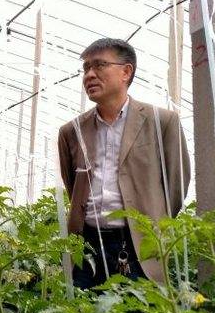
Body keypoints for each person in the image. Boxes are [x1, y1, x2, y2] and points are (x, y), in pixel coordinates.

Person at [57, 38, 190, 289]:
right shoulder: (71, 131)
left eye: (99, 65)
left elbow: (176, 186)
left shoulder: (161, 122)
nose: (89, 75)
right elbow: (73, 187)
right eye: (86, 68)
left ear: (126, 72)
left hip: (138, 245)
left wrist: (150, 221)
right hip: (86, 247)